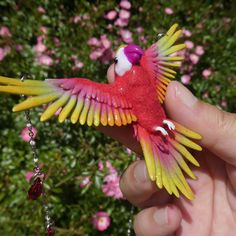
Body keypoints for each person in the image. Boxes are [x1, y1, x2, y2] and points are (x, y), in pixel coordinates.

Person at [101, 64, 236, 236]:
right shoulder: (125, 84)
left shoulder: (144, 69)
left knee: (157, 179)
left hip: (165, 128)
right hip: (152, 132)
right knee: (155, 179)